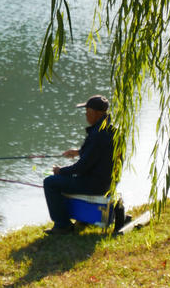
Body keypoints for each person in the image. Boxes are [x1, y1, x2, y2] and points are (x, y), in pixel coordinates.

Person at [43, 95, 116, 235]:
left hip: (94, 184)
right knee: (61, 181)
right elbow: (97, 153)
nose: (86, 115)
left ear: (95, 113)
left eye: (87, 112)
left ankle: (62, 225)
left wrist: (60, 171)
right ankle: (82, 219)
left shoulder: (98, 134)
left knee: (50, 182)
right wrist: (78, 152)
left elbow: (83, 166)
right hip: (105, 182)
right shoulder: (109, 129)